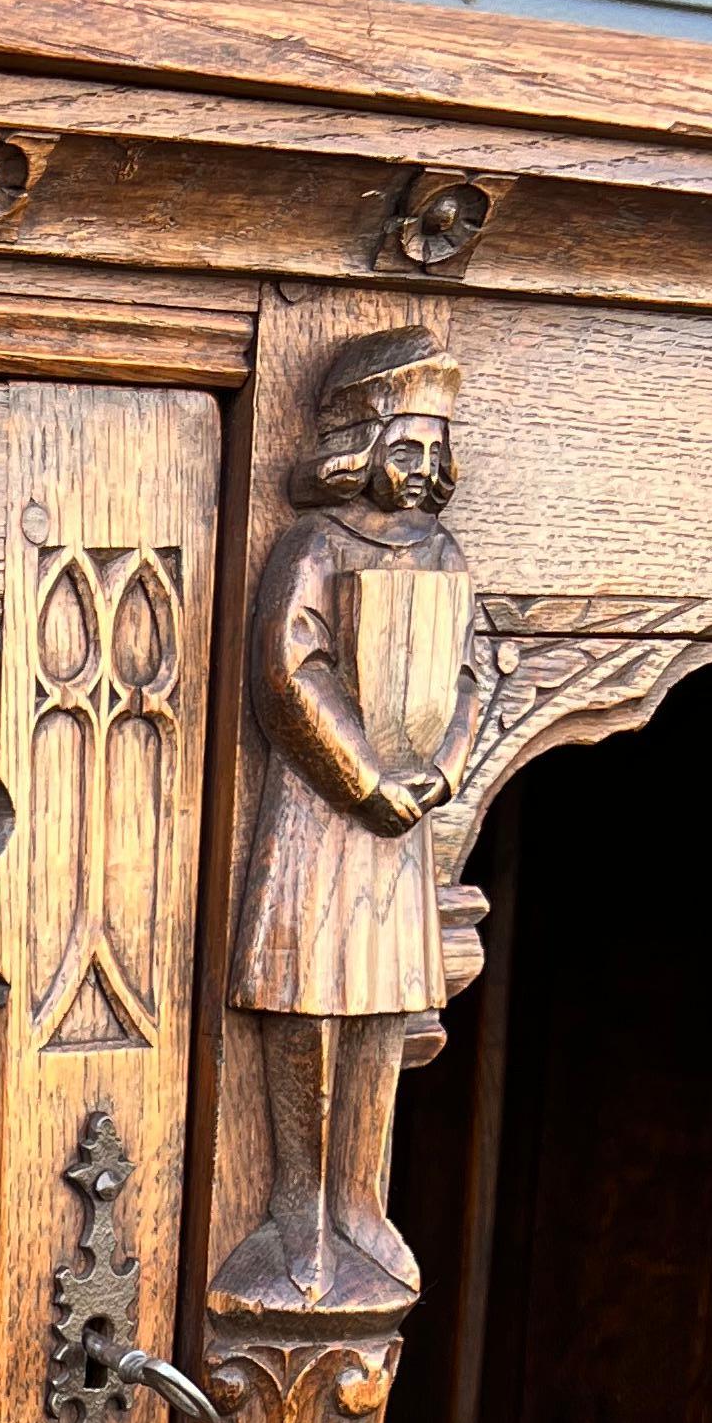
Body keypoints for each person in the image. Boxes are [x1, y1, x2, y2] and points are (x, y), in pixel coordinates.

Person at [222, 324, 479, 1308]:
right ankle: (299, 1211)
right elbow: (293, 675)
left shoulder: (444, 550)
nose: (423, 471)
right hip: (324, 822)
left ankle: (360, 1204)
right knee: (311, 1007)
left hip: (403, 827)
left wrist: (445, 768)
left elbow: (466, 674)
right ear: (359, 448)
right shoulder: (316, 546)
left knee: (384, 1013)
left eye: (435, 451)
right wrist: (369, 779)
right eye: (405, 448)